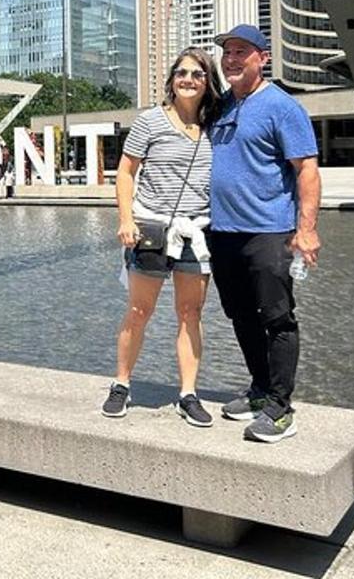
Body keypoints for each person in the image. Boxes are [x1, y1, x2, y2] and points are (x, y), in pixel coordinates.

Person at [208, 24, 321, 444]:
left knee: (277, 318)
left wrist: (306, 230)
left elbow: (306, 170)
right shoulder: (221, 107)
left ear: (262, 58)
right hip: (223, 233)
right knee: (239, 314)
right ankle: (259, 389)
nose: (232, 59)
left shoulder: (282, 107)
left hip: (269, 232)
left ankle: (280, 407)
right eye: (227, 53)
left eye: (242, 52)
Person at [104, 47, 222, 426]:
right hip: (152, 228)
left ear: (208, 83)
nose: (188, 79)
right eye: (182, 73)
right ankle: (121, 384)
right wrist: (126, 219)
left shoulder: (216, 124)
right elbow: (125, 172)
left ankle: (188, 392)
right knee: (140, 310)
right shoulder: (150, 122)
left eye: (197, 74)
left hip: (197, 231)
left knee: (190, 313)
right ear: (172, 79)